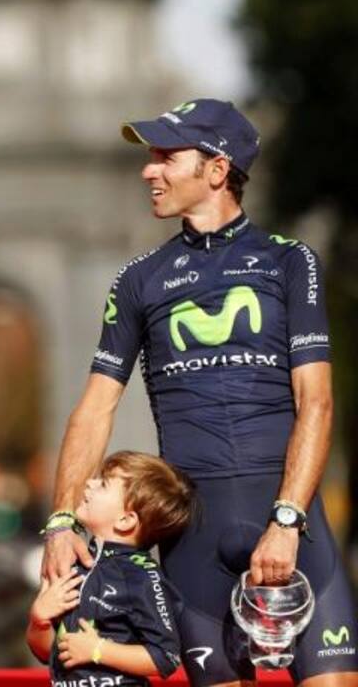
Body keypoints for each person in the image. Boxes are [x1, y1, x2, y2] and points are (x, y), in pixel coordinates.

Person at [40, 99, 358, 686]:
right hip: (195, 535)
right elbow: (95, 408)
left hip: (291, 518)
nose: (148, 170)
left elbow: (317, 401)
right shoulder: (139, 279)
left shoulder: (290, 263)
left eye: (166, 155)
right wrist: (62, 522)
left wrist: (286, 522)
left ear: (217, 170)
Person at [28, 451, 192, 686]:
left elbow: (166, 658)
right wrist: (39, 621)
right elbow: (46, 653)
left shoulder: (143, 577)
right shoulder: (71, 565)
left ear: (126, 520)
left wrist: (98, 650)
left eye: (103, 484)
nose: (89, 483)